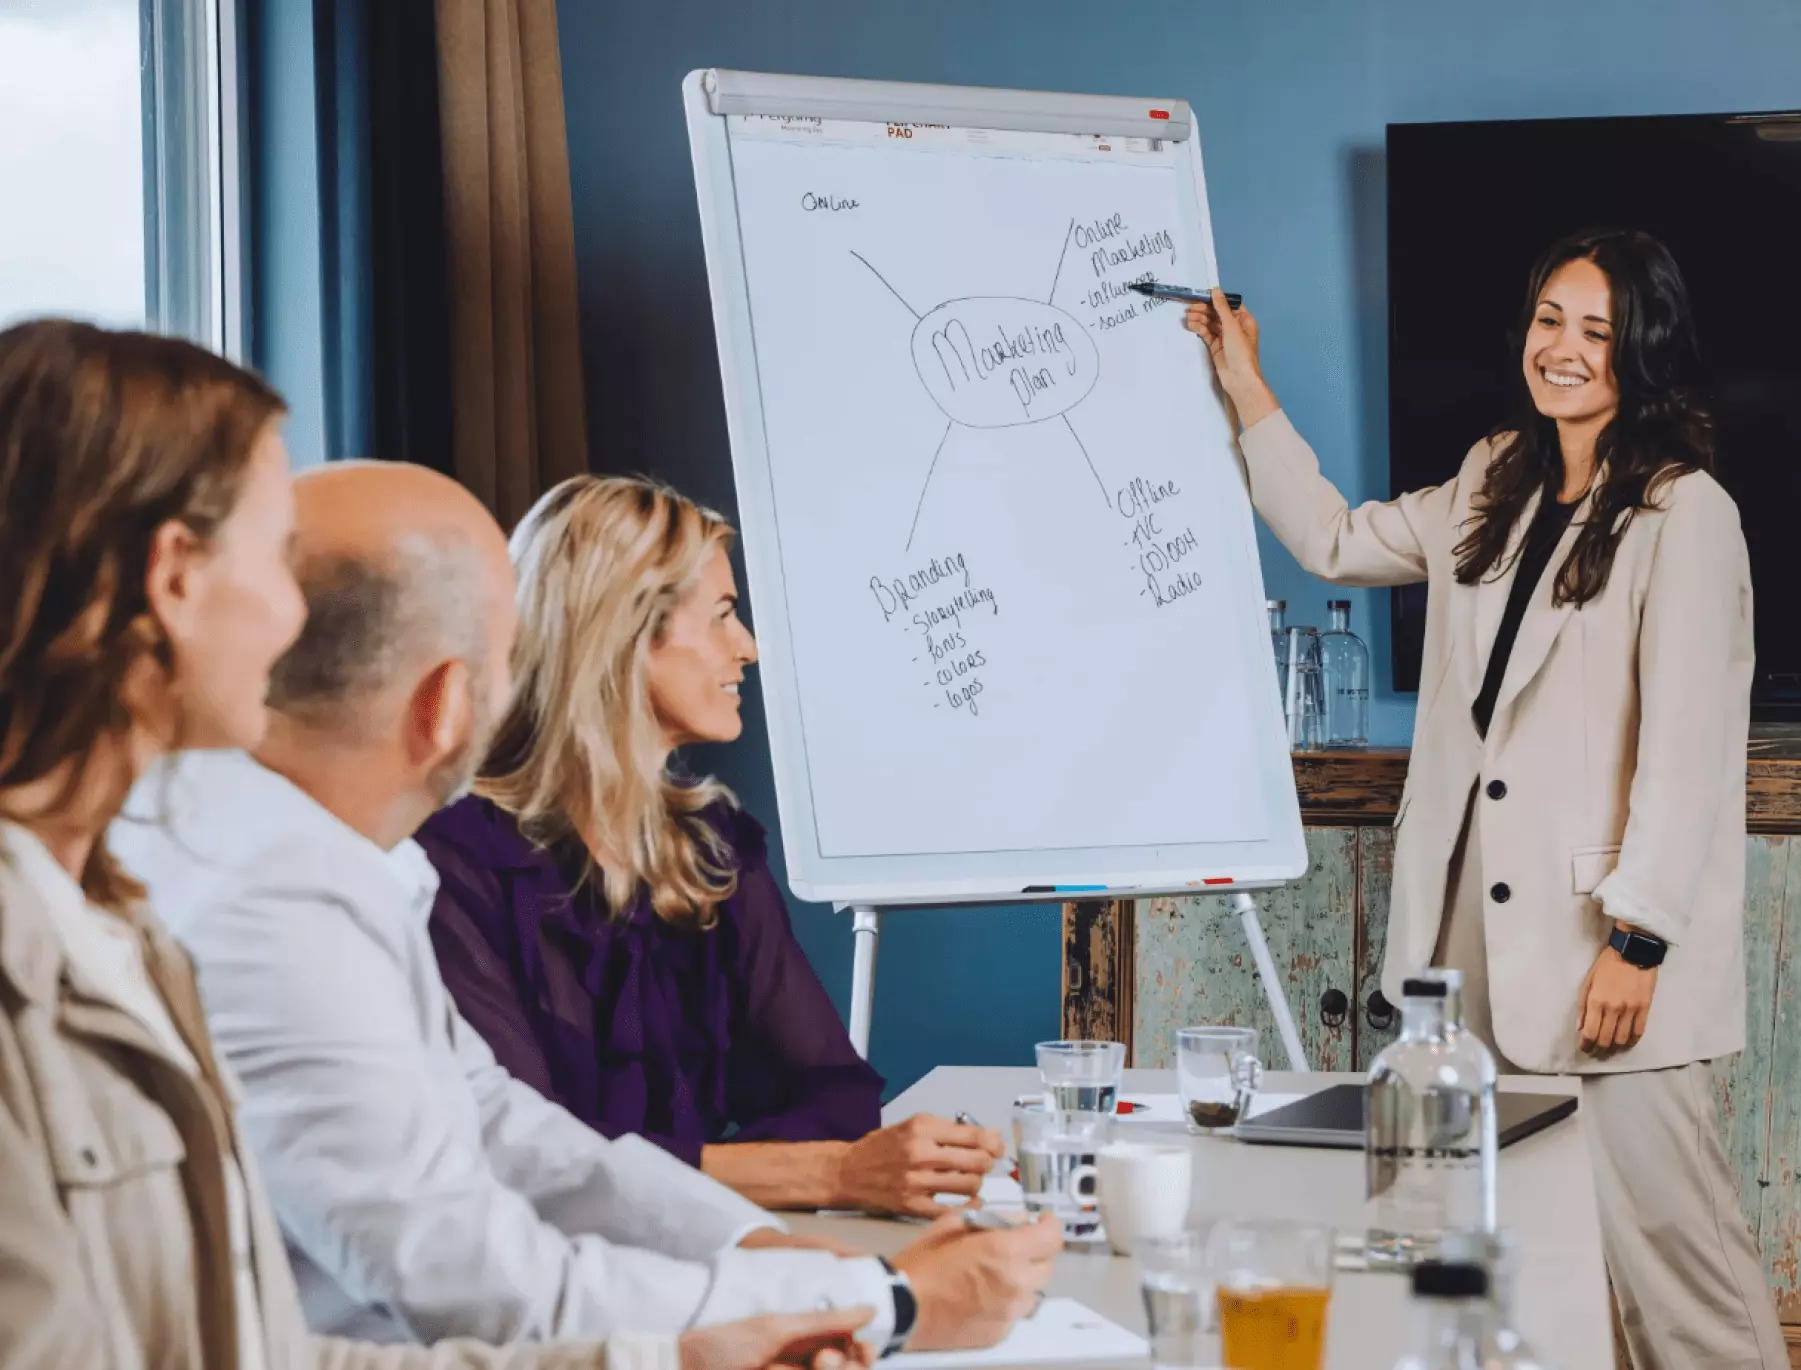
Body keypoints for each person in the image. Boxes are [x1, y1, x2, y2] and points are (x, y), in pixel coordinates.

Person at [0, 317, 882, 1370]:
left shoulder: (123, 912)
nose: (302, 622)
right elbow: (453, 1260)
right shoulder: (239, 892)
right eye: (274, 554)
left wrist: (727, 1323)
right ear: (175, 576)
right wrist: (828, 1303)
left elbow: (257, 1344)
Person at [109, 458, 1059, 1357]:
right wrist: (881, 1304)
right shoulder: (279, 901)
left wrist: (776, 1259)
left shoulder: (343, 864)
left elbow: (509, 1128)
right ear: (449, 703)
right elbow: (477, 1272)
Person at [1187, 229, 1789, 1370]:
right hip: (1459, 953)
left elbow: (1689, 747)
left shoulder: (1683, 510)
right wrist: (1243, 383)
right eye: (1548, 319)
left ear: (1643, 350)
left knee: (1681, 1274)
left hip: (1599, 951)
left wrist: (1639, 934)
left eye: (1596, 330)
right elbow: (1330, 539)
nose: (1561, 348)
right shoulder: (1490, 477)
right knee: (1493, 1265)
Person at [412, 475, 1003, 1217]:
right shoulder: (450, 863)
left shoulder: (710, 851)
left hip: (708, 1259)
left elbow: (835, 1093)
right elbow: (534, 1163)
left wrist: (798, 1171)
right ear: (623, 633)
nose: (748, 648)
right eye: (723, 615)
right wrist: (824, 1175)